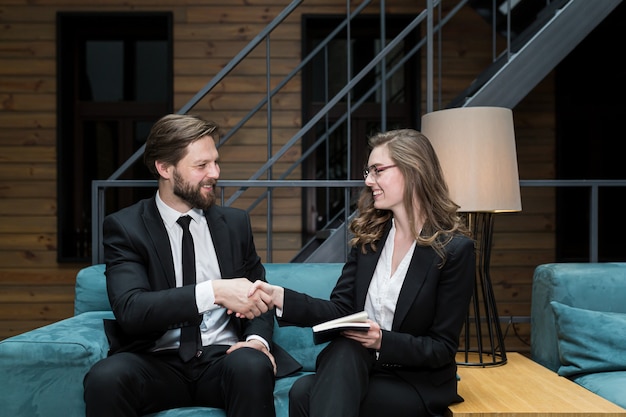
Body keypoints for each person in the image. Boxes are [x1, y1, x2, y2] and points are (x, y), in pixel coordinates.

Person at [83, 113, 300, 417]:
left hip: (224, 358)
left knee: (252, 364)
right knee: (106, 378)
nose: (215, 173)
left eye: (215, 162)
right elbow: (132, 310)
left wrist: (256, 341)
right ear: (164, 168)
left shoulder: (235, 224)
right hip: (156, 360)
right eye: (201, 166)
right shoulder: (125, 227)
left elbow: (259, 298)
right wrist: (213, 292)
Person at [251, 128, 476, 417]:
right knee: (338, 357)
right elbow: (340, 310)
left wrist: (381, 340)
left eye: (377, 171)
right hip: (358, 366)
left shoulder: (455, 250)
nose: (369, 181)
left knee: (306, 392)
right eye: (368, 172)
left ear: (413, 170)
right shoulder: (370, 239)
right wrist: (280, 296)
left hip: (415, 381)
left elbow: (441, 348)